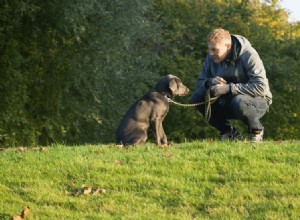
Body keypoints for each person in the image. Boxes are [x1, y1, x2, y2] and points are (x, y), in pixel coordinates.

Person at [191, 28, 272, 142]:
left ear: (228, 46)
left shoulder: (249, 55)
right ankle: (228, 132)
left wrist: (229, 88)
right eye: (210, 49)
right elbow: (199, 83)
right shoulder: (211, 57)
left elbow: (261, 87)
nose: (211, 53)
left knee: (239, 101)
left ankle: (256, 131)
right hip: (227, 101)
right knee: (197, 97)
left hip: (256, 101)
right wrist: (210, 82)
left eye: (215, 50)